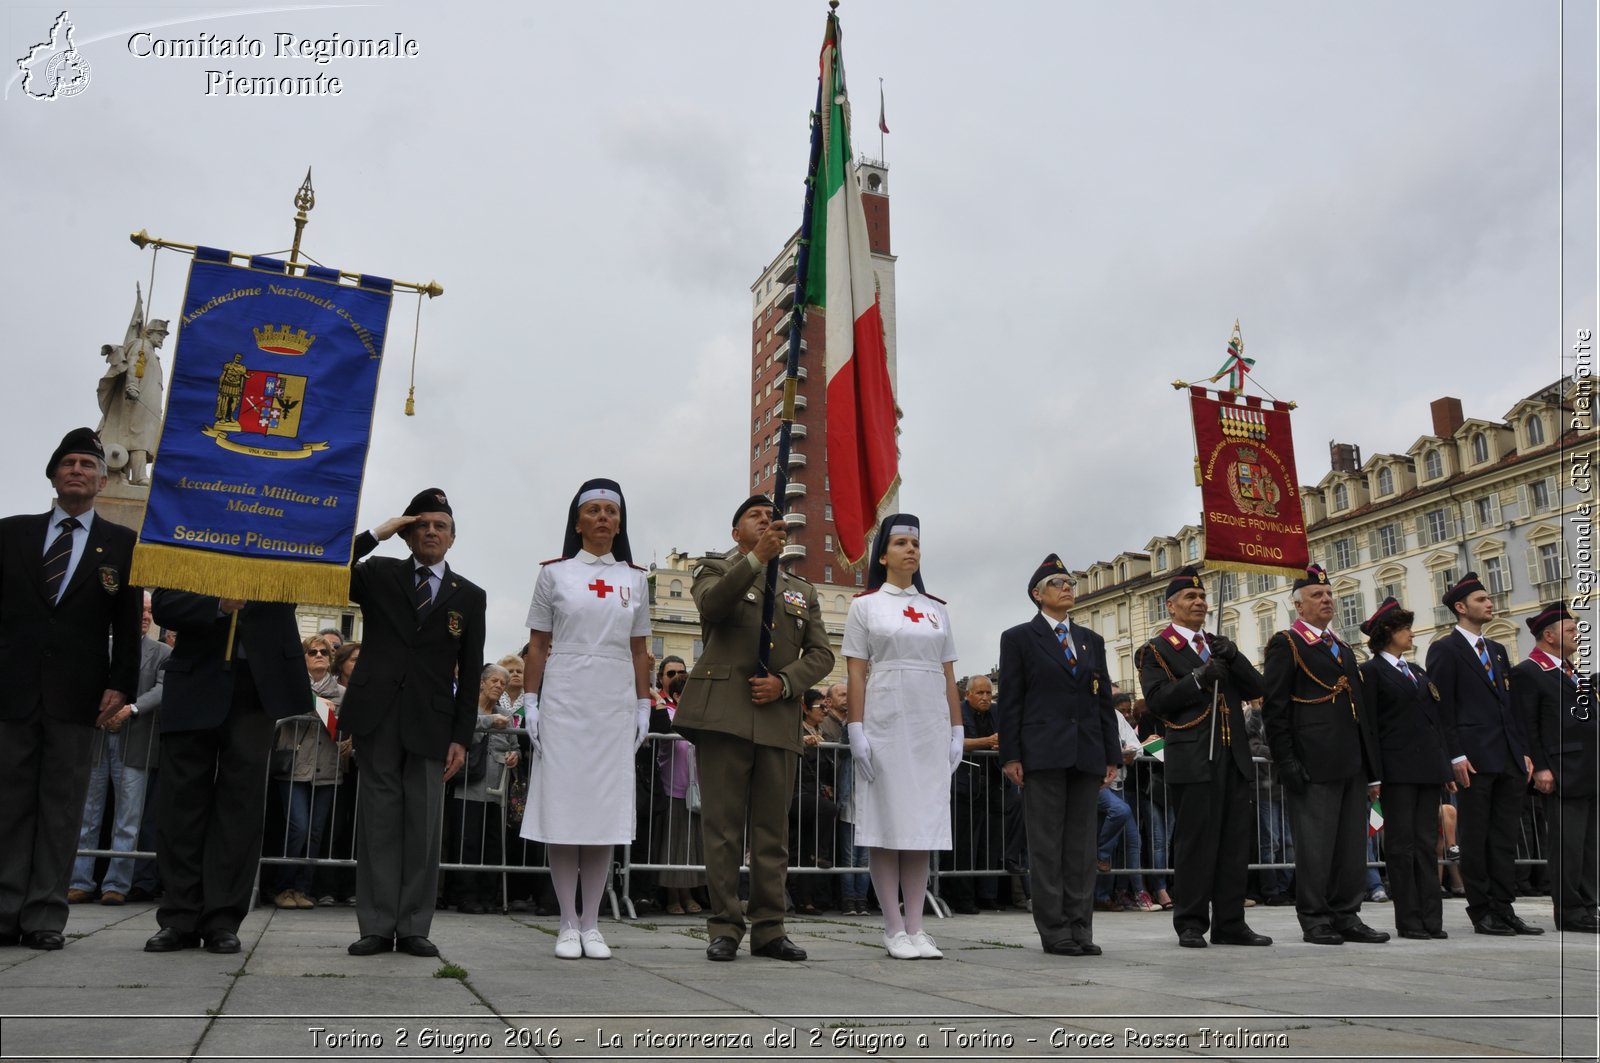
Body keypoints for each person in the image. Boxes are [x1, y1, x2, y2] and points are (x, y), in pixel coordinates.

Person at [672, 494, 834, 962]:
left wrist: (786, 683)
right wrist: (754, 559)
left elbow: (822, 654)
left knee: (771, 833)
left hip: (777, 716)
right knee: (722, 830)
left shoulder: (801, 589)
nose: (766, 521)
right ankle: (724, 926)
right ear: (736, 531)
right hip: (723, 714)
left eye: (771, 518)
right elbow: (713, 609)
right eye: (754, 517)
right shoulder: (716, 568)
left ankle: (769, 928)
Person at [0, 429, 141, 951]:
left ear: (103, 480)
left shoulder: (122, 544)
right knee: (9, 803)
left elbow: (127, 626)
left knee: (62, 808)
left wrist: (120, 685)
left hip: (79, 695)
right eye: (69, 463)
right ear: (53, 475)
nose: (77, 470)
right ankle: (4, 908)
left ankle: (43, 916)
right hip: (11, 690)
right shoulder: (11, 533)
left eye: (87, 464)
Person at [340, 489, 486, 958]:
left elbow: (472, 665)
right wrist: (378, 532)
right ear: (407, 534)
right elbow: (330, 564)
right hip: (378, 714)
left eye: (439, 525)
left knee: (423, 827)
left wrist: (462, 737)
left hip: (432, 723)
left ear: (452, 538)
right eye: (420, 524)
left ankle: (415, 925)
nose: (430, 532)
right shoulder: (379, 573)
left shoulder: (471, 596)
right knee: (379, 824)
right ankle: (378, 926)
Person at [520, 479, 651, 960]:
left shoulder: (636, 579)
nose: (602, 518)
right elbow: (537, 643)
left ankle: (593, 922)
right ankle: (566, 923)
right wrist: (530, 701)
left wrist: (643, 704)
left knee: (601, 815)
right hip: (566, 696)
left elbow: (640, 649)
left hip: (612, 698)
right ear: (577, 522)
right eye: (592, 510)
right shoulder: (554, 575)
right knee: (564, 810)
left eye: (610, 512)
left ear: (619, 523)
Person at [145, 591, 311, 954]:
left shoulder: (284, 540)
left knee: (240, 811)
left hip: (257, 691)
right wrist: (219, 606)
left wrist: (378, 533)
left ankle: (223, 919)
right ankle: (178, 917)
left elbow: (329, 558)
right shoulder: (197, 536)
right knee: (181, 808)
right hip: (195, 682)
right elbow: (165, 605)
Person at [843, 515, 962, 959]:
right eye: (900, 542)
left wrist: (957, 728)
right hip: (887, 718)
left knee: (921, 827)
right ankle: (892, 928)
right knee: (887, 823)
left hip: (930, 721)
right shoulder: (865, 606)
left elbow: (949, 674)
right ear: (883, 554)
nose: (910, 549)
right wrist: (856, 726)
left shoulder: (936, 609)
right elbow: (855, 671)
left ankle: (917, 927)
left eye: (915, 542)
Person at [1136, 567, 1271, 948]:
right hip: (1194, 754)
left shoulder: (1216, 643)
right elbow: (1159, 701)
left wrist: (1235, 656)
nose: (1199, 603)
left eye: (1201, 597)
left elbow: (1256, 688)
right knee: (1196, 843)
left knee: (1233, 842)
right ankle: (1192, 921)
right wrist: (1198, 678)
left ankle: (1231, 922)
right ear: (1171, 607)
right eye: (1190, 598)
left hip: (1233, 754)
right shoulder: (1156, 650)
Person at [995, 554, 1120, 957]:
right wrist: (1011, 755)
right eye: (1057, 583)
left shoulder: (1091, 641)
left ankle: (1081, 926)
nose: (1067, 587)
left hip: (1086, 753)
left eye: (1069, 582)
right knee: (1047, 845)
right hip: (1042, 754)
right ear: (1037, 594)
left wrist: (1111, 755)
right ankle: (1055, 930)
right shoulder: (1018, 639)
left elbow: (1103, 702)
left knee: (1082, 848)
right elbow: (1011, 701)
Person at [1262, 564, 1387, 946]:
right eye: (1317, 595)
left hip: (1350, 761)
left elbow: (1360, 712)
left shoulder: (1344, 647)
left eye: (1330, 594)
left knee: (1351, 846)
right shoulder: (1288, 643)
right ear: (1299, 606)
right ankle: (1315, 918)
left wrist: (1372, 769)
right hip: (1313, 760)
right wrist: (1286, 761)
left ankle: (1346, 914)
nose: (1327, 599)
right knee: (1316, 847)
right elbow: (1276, 708)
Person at [1425, 572, 1538, 937]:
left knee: (1505, 836)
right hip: (1473, 758)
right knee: (1476, 837)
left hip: (1506, 756)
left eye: (1488, 599)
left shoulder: (1498, 650)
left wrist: (1522, 752)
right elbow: (1443, 708)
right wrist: (1454, 755)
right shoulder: (1446, 649)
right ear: (1461, 608)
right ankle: (1482, 910)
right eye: (1480, 600)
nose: (1489, 603)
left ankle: (1505, 908)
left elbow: (1509, 706)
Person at [1358, 597, 1454, 940]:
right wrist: (1373, 775)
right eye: (1404, 628)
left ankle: (1432, 918)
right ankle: (1410, 919)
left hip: (1426, 769)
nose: (1411, 634)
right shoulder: (1370, 673)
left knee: (1428, 843)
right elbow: (1368, 727)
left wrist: (1444, 766)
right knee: (1401, 845)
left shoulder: (1416, 672)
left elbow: (1435, 722)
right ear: (1388, 633)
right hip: (1395, 772)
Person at [70, 593, 168, 907]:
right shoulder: (103, 646)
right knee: (88, 814)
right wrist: (101, 713)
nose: (145, 615)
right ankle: (80, 881)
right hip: (98, 740)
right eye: (140, 609)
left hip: (136, 742)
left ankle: (117, 884)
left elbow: (162, 689)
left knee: (128, 818)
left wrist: (131, 710)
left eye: (151, 611)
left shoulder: (162, 652)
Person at [1512, 603, 1597, 933]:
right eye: (1569, 631)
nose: (1576, 635)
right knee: (1568, 845)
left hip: (1589, 767)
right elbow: (1528, 725)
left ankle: (1589, 905)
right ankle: (1570, 911)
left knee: (1590, 845)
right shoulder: (1529, 672)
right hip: (1562, 769)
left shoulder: (1571, 670)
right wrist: (1542, 768)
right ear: (1548, 636)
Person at [269, 634, 346, 911]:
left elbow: (343, 731)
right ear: (303, 658)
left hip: (326, 768)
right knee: (298, 828)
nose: (319, 655)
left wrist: (328, 713)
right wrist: (316, 704)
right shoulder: (292, 688)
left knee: (315, 832)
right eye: (312, 651)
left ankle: (302, 888)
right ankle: (282, 887)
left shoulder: (342, 694)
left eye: (324, 651)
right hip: (294, 767)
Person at [447, 664, 521, 914]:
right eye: (495, 681)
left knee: (493, 845)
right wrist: (489, 721)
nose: (499, 686)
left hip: (496, 791)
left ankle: (488, 896)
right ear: (481, 683)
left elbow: (515, 746)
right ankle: (465, 897)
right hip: (468, 787)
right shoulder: (467, 709)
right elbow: (461, 734)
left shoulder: (506, 714)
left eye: (503, 683)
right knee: (467, 843)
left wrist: (514, 755)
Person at [946, 674, 1003, 914]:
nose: (985, 698)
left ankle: (987, 896)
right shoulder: (956, 712)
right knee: (964, 845)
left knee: (989, 843)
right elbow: (953, 742)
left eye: (988, 693)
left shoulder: (997, 713)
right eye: (980, 693)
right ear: (968, 694)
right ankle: (962, 897)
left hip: (992, 785)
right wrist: (986, 741)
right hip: (963, 787)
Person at [654, 666, 705, 916]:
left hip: (696, 790)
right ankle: (673, 896)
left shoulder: (700, 717)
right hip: (673, 788)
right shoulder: (671, 715)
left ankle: (689, 892)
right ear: (676, 696)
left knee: (691, 845)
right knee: (674, 844)